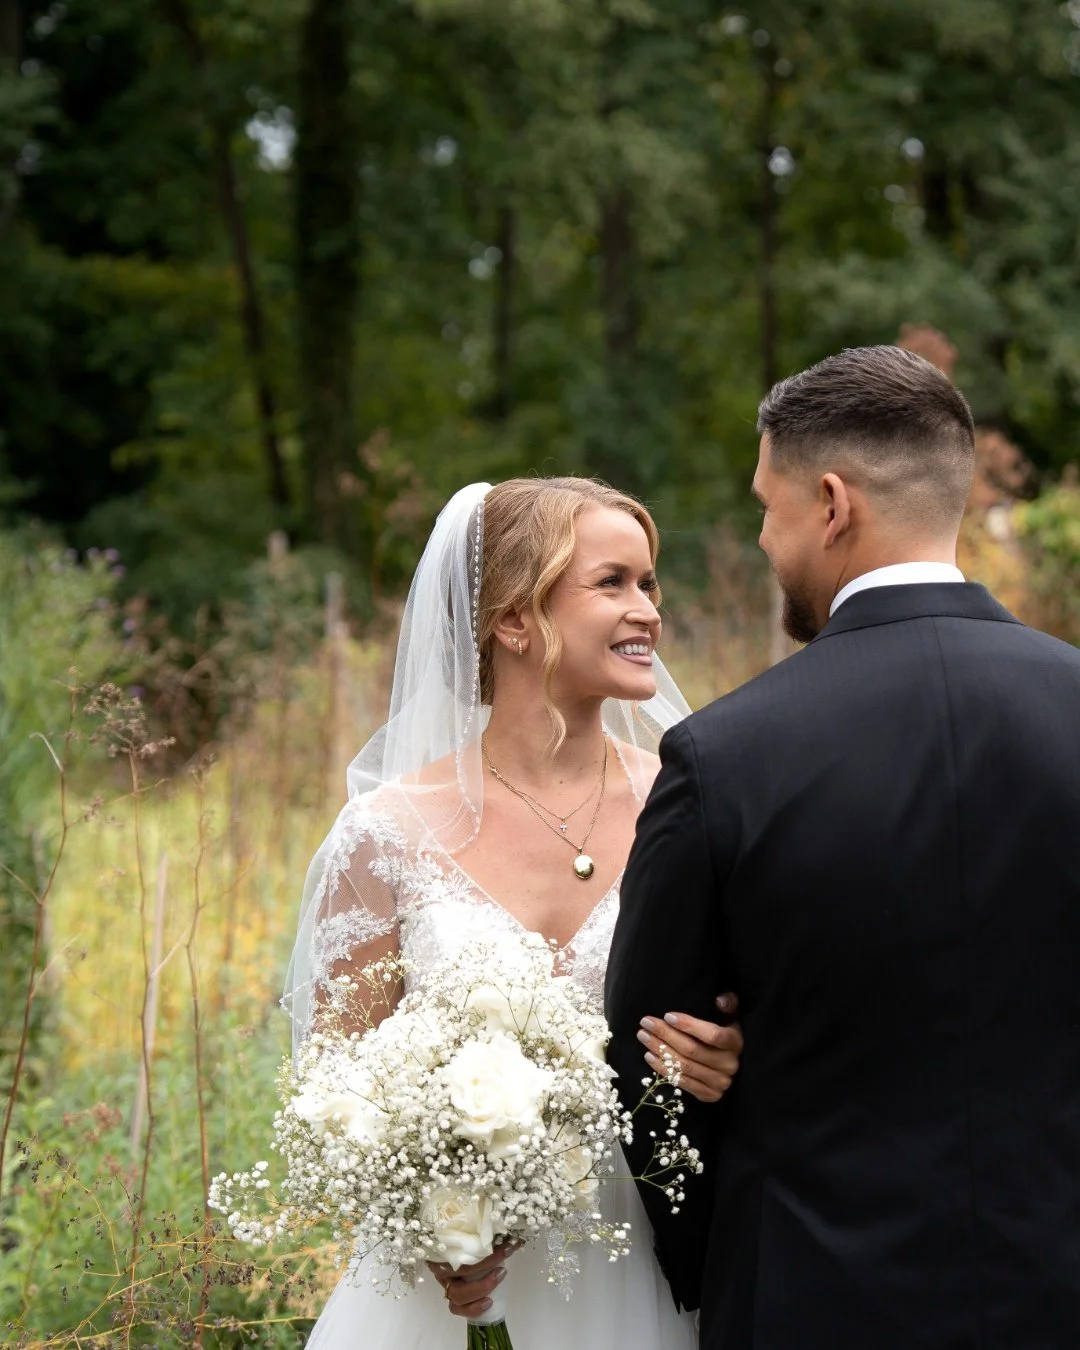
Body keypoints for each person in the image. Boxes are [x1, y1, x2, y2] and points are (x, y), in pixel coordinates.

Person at [606, 344, 1080, 1350]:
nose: (763, 539)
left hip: (810, 1298)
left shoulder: (723, 755)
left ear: (831, 504)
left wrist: (712, 1263)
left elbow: (650, 1058)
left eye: (766, 507)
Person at [283, 477, 743, 1350]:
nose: (648, 611)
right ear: (514, 620)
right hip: (452, 1290)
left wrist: (729, 1052)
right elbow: (336, 1081)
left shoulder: (689, 807)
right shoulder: (387, 833)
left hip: (650, 1256)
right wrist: (429, 1224)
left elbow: (745, 1006)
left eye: (650, 584)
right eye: (612, 583)